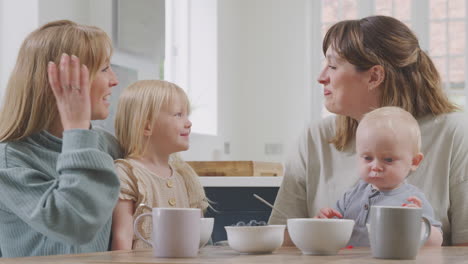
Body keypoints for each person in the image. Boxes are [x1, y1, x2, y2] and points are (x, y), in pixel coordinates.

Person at [269, 15, 468, 246]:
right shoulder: (315, 138)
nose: (321, 77)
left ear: (374, 76)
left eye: (332, 66)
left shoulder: (455, 134)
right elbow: (284, 240)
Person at [0, 20, 120, 257]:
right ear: (58, 82)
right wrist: (76, 129)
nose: (114, 80)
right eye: (104, 69)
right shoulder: (10, 161)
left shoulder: (107, 145)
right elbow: (75, 224)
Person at [316, 106, 442, 247]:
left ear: (414, 161)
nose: (375, 166)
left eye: (388, 160)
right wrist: (325, 220)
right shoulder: (351, 196)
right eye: (367, 158)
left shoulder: (413, 201)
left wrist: (417, 224)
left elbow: (436, 242)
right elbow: (334, 231)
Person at [110, 80, 209, 250]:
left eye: (187, 115)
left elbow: (198, 238)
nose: (189, 123)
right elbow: (122, 238)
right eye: (178, 114)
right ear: (146, 126)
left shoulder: (185, 176)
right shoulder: (127, 173)